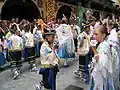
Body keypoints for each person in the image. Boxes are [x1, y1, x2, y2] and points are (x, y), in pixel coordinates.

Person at [90, 25, 119, 90]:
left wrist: (94, 49)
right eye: (94, 34)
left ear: (103, 35)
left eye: (96, 34)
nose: (94, 36)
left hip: (101, 77)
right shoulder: (106, 44)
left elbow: (101, 64)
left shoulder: (104, 46)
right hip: (105, 75)